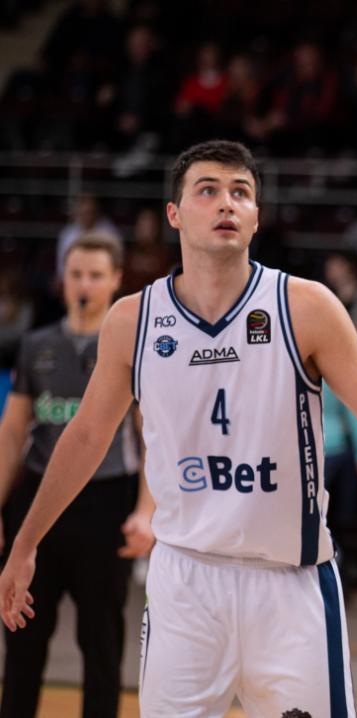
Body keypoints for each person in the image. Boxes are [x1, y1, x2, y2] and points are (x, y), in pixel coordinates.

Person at [0, 140, 357, 717]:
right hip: (185, 581)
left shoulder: (305, 307)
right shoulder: (133, 320)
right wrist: (26, 543)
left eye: (241, 192)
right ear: (174, 213)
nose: (226, 203)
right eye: (207, 190)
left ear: (257, 217)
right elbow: (85, 438)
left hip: (291, 584)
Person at [0, 234, 154, 718]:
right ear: (61, 280)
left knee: (101, 640)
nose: (84, 284)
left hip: (106, 502)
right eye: (76, 274)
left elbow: (151, 438)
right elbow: (12, 433)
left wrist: (146, 511)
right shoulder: (36, 345)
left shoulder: (134, 348)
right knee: (22, 637)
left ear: (115, 280)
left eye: (95, 275)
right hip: (40, 498)